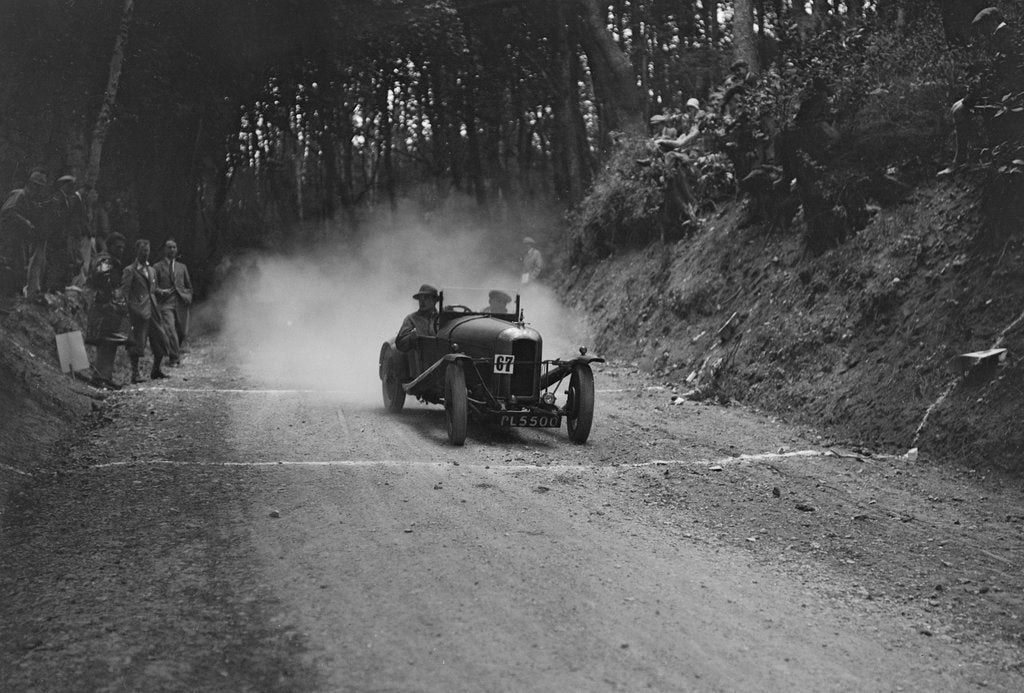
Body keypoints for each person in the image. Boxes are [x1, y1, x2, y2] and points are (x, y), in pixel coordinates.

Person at [122, 239, 171, 383]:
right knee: (138, 343)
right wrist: (129, 309)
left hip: (153, 309)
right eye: (143, 250)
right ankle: (135, 374)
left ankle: (156, 369)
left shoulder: (151, 270)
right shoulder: (130, 270)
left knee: (161, 338)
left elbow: (153, 289)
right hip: (138, 311)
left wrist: (162, 292)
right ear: (136, 251)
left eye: (148, 250)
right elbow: (125, 292)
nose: (146, 253)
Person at [85, 232, 129, 389]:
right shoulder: (104, 259)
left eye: (123, 247)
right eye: (118, 247)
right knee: (105, 342)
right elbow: (103, 279)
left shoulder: (109, 259)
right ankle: (99, 377)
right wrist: (110, 299)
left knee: (111, 341)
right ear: (110, 246)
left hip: (110, 304)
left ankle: (106, 376)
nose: (121, 250)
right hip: (104, 305)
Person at [0, 170, 49, 299]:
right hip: (9, 239)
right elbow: (7, 212)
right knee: (10, 267)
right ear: (31, 184)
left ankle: (11, 298)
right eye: (38, 187)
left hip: (19, 239)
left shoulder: (29, 199)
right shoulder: (19, 194)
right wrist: (26, 222)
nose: (39, 191)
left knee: (19, 268)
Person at [153, 238, 193, 365]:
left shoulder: (182, 267)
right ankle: (174, 358)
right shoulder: (157, 267)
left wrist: (188, 297)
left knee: (182, 331)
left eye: (174, 247)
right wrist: (161, 292)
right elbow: (153, 287)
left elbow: (189, 286)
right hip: (166, 303)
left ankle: (176, 351)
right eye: (169, 247)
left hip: (181, 302)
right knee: (170, 329)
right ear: (164, 249)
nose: (172, 250)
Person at [396, 284, 439, 352]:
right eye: (420, 299)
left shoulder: (442, 318)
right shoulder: (411, 319)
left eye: (426, 298)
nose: (422, 301)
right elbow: (400, 344)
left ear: (434, 300)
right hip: (420, 358)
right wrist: (411, 338)